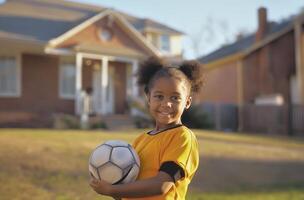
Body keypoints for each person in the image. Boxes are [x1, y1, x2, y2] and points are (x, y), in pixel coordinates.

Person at [90, 57, 204, 200]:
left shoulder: (182, 137)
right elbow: (128, 187)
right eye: (159, 96)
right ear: (149, 98)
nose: (166, 104)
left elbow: (162, 185)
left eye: (175, 98)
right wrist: (111, 180)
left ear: (187, 102)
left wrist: (113, 190)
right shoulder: (140, 140)